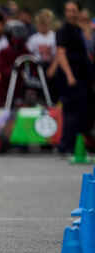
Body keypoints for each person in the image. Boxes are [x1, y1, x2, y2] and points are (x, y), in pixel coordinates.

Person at [55, 1, 95, 154]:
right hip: (70, 75)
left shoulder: (80, 30)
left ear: (79, 12)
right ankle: (66, 145)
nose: (70, 14)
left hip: (83, 74)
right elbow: (61, 53)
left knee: (84, 111)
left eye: (73, 10)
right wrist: (69, 74)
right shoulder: (63, 31)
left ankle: (80, 143)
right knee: (72, 112)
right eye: (68, 10)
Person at [26, 9, 58, 102]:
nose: (43, 27)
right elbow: (29, 54)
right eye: (41, 24)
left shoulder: (54, 37)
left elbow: (58, 54)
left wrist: (53, 68)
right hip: (37, 68)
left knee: (52, 90)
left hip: (51, 67)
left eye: (45, 24)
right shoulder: (33, 38)